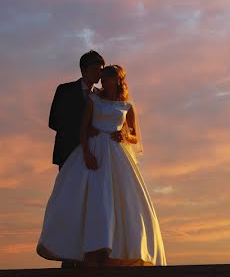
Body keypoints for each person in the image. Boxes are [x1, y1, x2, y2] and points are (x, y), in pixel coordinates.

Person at [37, 64, 167, 267]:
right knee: (94, 198)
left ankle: (115, 250)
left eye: (107, 78)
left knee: (118, 200)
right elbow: (83, 128)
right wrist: (87, 153)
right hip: (94, 150)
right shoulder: (94, 100)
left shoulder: (127, 106)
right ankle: (89, 250)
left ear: (117, 81)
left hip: (117, 154)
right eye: (102, 78)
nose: (103, 82)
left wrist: (124, 135)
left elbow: (134, 137)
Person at [49, 50, 105, 170]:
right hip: (69, 152)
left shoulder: (101, 96)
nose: (99, 74)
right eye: (95, 69)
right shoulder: (65, 90)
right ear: (84, 70)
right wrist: (84, 131)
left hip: (95, 153)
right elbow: (54, 121)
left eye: (101, 70)